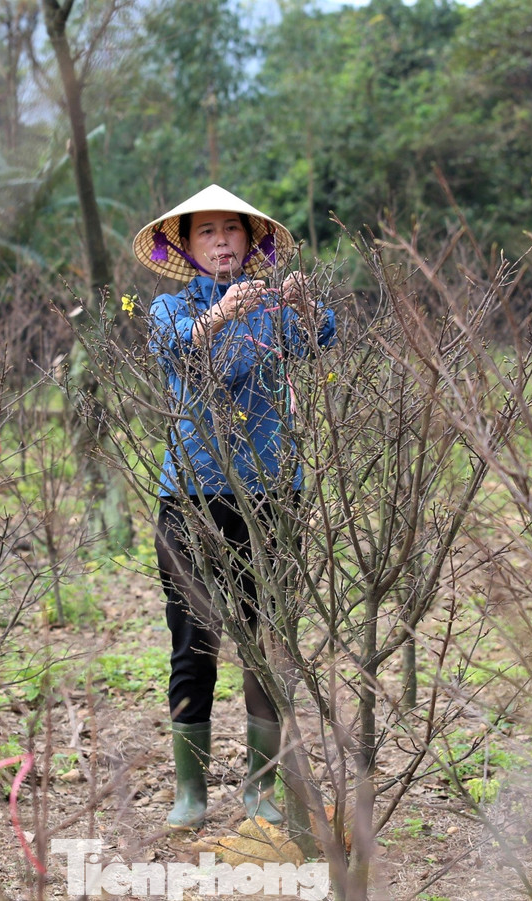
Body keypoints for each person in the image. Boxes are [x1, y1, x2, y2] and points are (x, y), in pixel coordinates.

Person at [133, 184, 337, 830]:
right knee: (194, 641)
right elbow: (178, 350)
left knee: (266, 640)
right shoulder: (169, 308)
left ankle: (260, 789)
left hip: (271, 493)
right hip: (191, 497)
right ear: (188, 247)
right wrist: (222, 313)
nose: (221, 241)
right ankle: (191, 793)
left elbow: (322, 335)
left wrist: (301, 301)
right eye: (207, 232)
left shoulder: (271, 307)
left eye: (232, 230)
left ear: (250, 242)